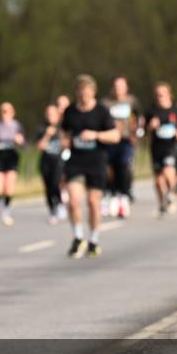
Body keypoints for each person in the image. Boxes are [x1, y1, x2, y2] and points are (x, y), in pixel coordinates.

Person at [61, 75, 120, 258]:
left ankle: (93, 240)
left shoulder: (102, 111)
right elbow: (64, 132)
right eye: (80, 94)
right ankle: (78, 237)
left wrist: (95, 135)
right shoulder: (70, 111)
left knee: (93, 203)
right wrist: (65, 141)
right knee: (73, 201)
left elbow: (115, 136)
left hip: (96, 161)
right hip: (76, 161)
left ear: (93, 92)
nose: (84, 98)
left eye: (87, 94)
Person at [102, 77, 143, 219]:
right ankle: (113, 194)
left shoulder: (132, 101)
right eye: (116, 86)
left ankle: (124, 195)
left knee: (124, 166)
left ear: (126, 88)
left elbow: (139, 119)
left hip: (126, 140)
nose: (118, 89)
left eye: (121, 86)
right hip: (110, 140)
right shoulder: (106, 103)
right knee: (109, 170)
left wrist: (136, 134)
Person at [145, 82, 177, 216]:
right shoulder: (151, 110)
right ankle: (162, 203)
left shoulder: (174, 109)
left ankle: (173, 194)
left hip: (171, 146)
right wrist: (150, 126)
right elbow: (144, 130)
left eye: (162, 94)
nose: (160, 97)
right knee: (158, 180)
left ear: (169, 95)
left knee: (168, 171)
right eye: (157, 94)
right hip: (156, 147)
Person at [0, 102, 25, 226]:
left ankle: (6, 211)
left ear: (13, 113)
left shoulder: (17, 125)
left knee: (9, 187)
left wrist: (20, 141)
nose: (5, 114)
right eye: (3, 111)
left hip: (11, 156)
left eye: (7, 111)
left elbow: (24, 145)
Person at [36, 103, 66, 225]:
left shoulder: (62, 128)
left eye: (53, 114)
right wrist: (47, 135)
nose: (50, 116)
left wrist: (62, 137)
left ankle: (59, 204)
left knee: (55, 184)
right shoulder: (42, 128)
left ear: (58, 115)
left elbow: (66, 144)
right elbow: (39, 147)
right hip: (45, 161)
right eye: (48, 114)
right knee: (48, 187)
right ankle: (52, 211)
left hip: (58, 161)